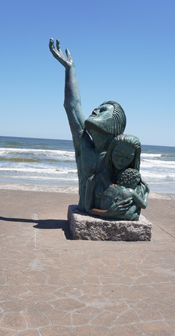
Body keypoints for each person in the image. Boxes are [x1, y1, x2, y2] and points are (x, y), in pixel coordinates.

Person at [49, 38, 129, 214]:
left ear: (116, 121)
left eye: (103, 110)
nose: (95, 110)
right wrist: (70, 69)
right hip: (85, 207)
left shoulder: (120, 153)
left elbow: (132, 186)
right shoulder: (83, 143)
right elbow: (72, 105)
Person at [84, 134, 148, 220]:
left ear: (134, 158)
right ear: (110, 153)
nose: (122, 161)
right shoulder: (94, 181)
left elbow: (138, 210)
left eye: (128, 157)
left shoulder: (139, 186)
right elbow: (88, 208)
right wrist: (107, 213)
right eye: (118, 155)